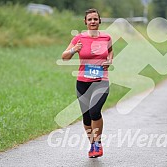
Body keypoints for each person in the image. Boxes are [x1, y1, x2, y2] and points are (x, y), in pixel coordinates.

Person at [61, 8, 113, 158]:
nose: (93, 22)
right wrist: (73, 50)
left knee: (94, 111)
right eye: (90, 19)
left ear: (99, 21)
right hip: (82, 81)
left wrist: (109, 60)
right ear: (85, 22)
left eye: (95, 19)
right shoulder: (78, 39)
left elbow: (110, 51)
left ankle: (98, 144)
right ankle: (92, 144)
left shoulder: (106, 38)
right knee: (86, 117)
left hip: (101, 80)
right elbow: (64, 57)